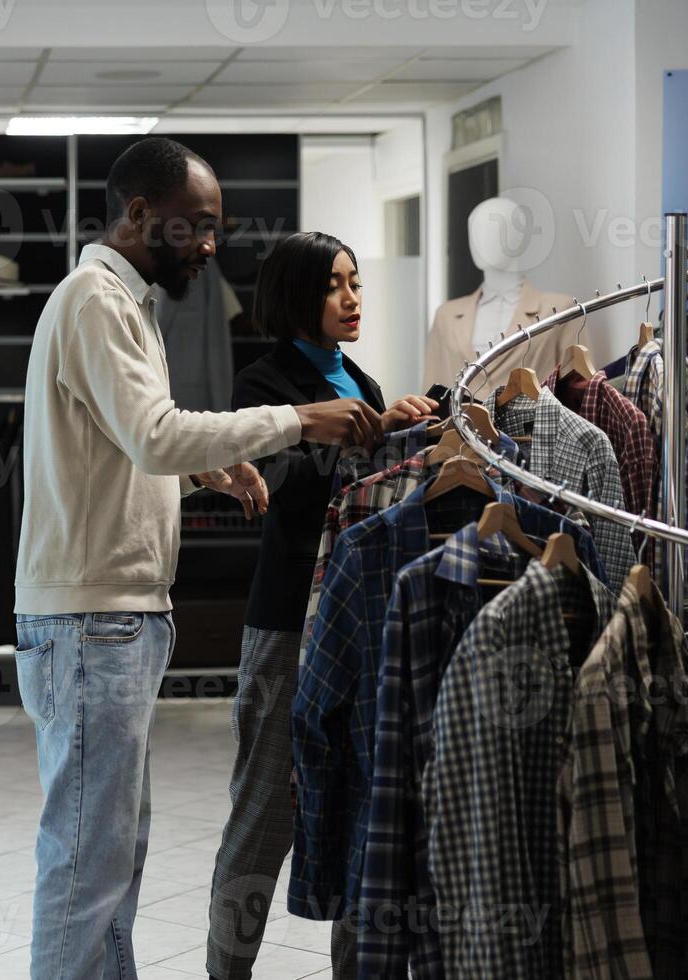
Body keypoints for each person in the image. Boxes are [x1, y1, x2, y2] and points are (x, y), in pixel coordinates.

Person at [13, 137, 384, 980]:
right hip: (91, 620)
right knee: (87, 862)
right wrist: (301, 420)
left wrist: (208, 471)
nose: (213, 245)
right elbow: (154, 434)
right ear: (141, 215)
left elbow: (118, 458)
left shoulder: (126, 306)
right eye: (199, 227)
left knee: (111, 857)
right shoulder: (96, 302)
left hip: (115, 619)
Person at [205, 232, 437, 980]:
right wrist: (334, 432)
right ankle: (226, 971)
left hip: (354, 616)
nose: (351, 298)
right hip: (284, 621)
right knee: (264, 810)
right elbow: (279, 492)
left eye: (357, 283)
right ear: (297, 295)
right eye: (334, 285)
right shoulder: (262, 381)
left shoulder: (363, 384)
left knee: (355, 802)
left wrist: (393, 429)